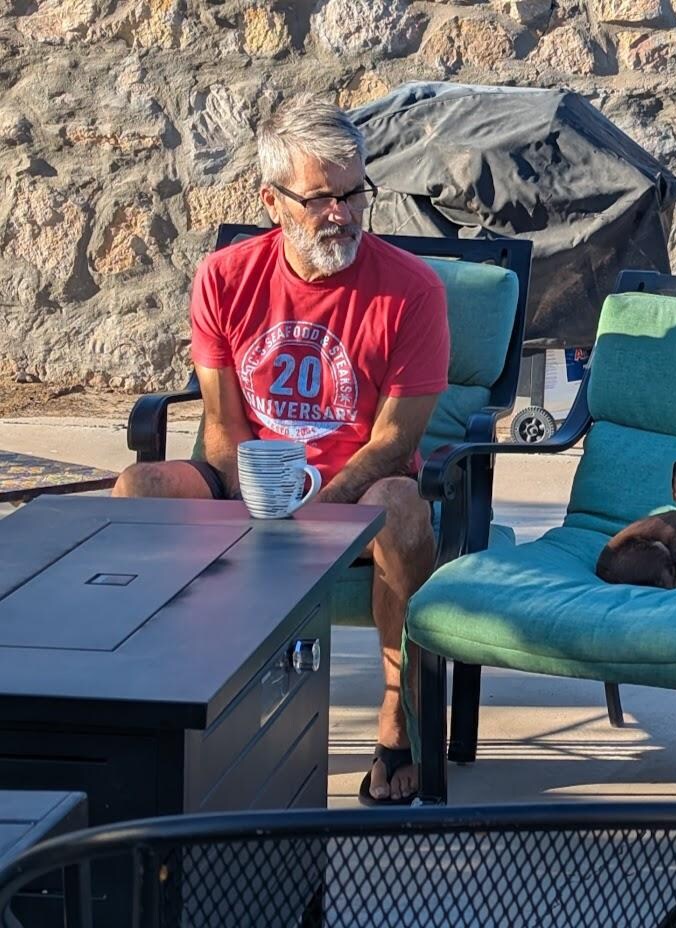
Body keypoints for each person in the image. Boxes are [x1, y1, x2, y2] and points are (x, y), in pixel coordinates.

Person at [113, 95, 449, 805]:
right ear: (272, 199)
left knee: (403, 506)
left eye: (356, 193)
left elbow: (397, 442)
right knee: (137, 491)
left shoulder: (412, 289)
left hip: (359, 495)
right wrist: (261, 499)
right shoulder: (224, 277)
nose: (344, 214)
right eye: (322, 198)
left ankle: (399, 716)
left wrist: (317, 509)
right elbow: (222, 426)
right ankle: (156, 707)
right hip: (254, 488)